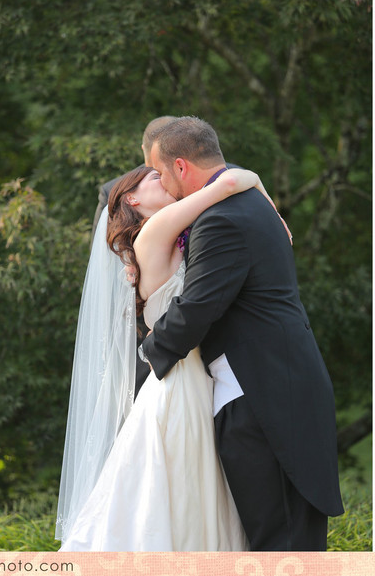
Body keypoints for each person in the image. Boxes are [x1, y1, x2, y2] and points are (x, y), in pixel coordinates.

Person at [140, 116, 343, 550]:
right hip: (276, 387)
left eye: (159, 172)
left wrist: (149, 351)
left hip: (262, 398)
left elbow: (197, 308)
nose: (157, 182)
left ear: (181, 167)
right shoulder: (245, 201)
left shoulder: (222, 219)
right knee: (282, 539)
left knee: (281, 543)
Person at [58, 164, 276, 550]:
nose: (167, 180)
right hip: (180, 381)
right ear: (133, 198)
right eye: (155, 178)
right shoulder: (157, 229)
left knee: (188, 491)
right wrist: (261, 189)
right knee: (181, 490)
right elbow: (226, 182)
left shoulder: (170, 234)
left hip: (192, 373)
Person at [89, 116, 176, 398]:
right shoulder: (120, 190)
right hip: (140, 329)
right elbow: (105, 259)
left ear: (144, 148)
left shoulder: (200, 186)